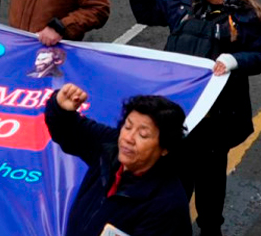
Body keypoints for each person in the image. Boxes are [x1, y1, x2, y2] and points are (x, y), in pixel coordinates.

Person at [129, 0, 261, 236]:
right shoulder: (180, 1)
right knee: (173, 192)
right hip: (178, 120)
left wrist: (234, 60)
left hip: (214, 124)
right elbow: (146, 13)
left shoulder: (242, 16)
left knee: (209, 196)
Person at [45, 88, 191, 236]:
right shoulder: (109, 146)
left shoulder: (166, 206)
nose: (128, 138)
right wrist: (60, 106)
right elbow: (68, 129)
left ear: (165, 148)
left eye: (143, 135)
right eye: (127, 126)